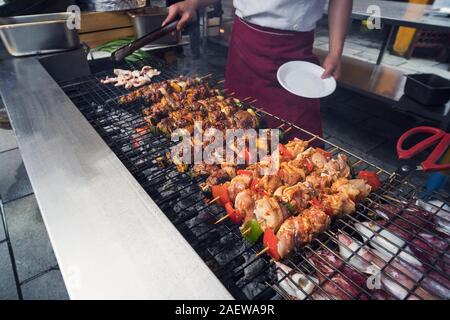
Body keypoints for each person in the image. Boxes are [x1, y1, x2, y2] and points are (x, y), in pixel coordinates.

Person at [162, 0, 353, 138]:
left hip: (291, 51)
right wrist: (193, 2)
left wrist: (335, 52)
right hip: (244, 42)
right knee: (234, 128)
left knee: (299, 136)